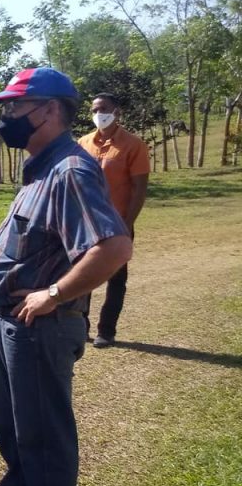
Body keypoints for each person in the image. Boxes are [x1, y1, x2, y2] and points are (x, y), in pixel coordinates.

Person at [0, 68, 134, 486]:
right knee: (13, 431)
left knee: (42, 443)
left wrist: (53, 294)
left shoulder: (69, 170)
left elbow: (114, 246)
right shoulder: (41, 168)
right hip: (14, 326)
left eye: (14, 106)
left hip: (39, 330)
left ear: (50, 110)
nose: (6, 116)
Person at [77, 93, 149, 348]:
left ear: (116, 112)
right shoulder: (83, 143)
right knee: (82, 275)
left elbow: (140, 188)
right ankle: (79, 326)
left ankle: (106, 331)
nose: (99, 114)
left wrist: (127, 224)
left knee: (116, 278)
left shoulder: (133, 145)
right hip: (86, 224)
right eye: (95, 109)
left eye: (104, 109)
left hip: (118, 223)